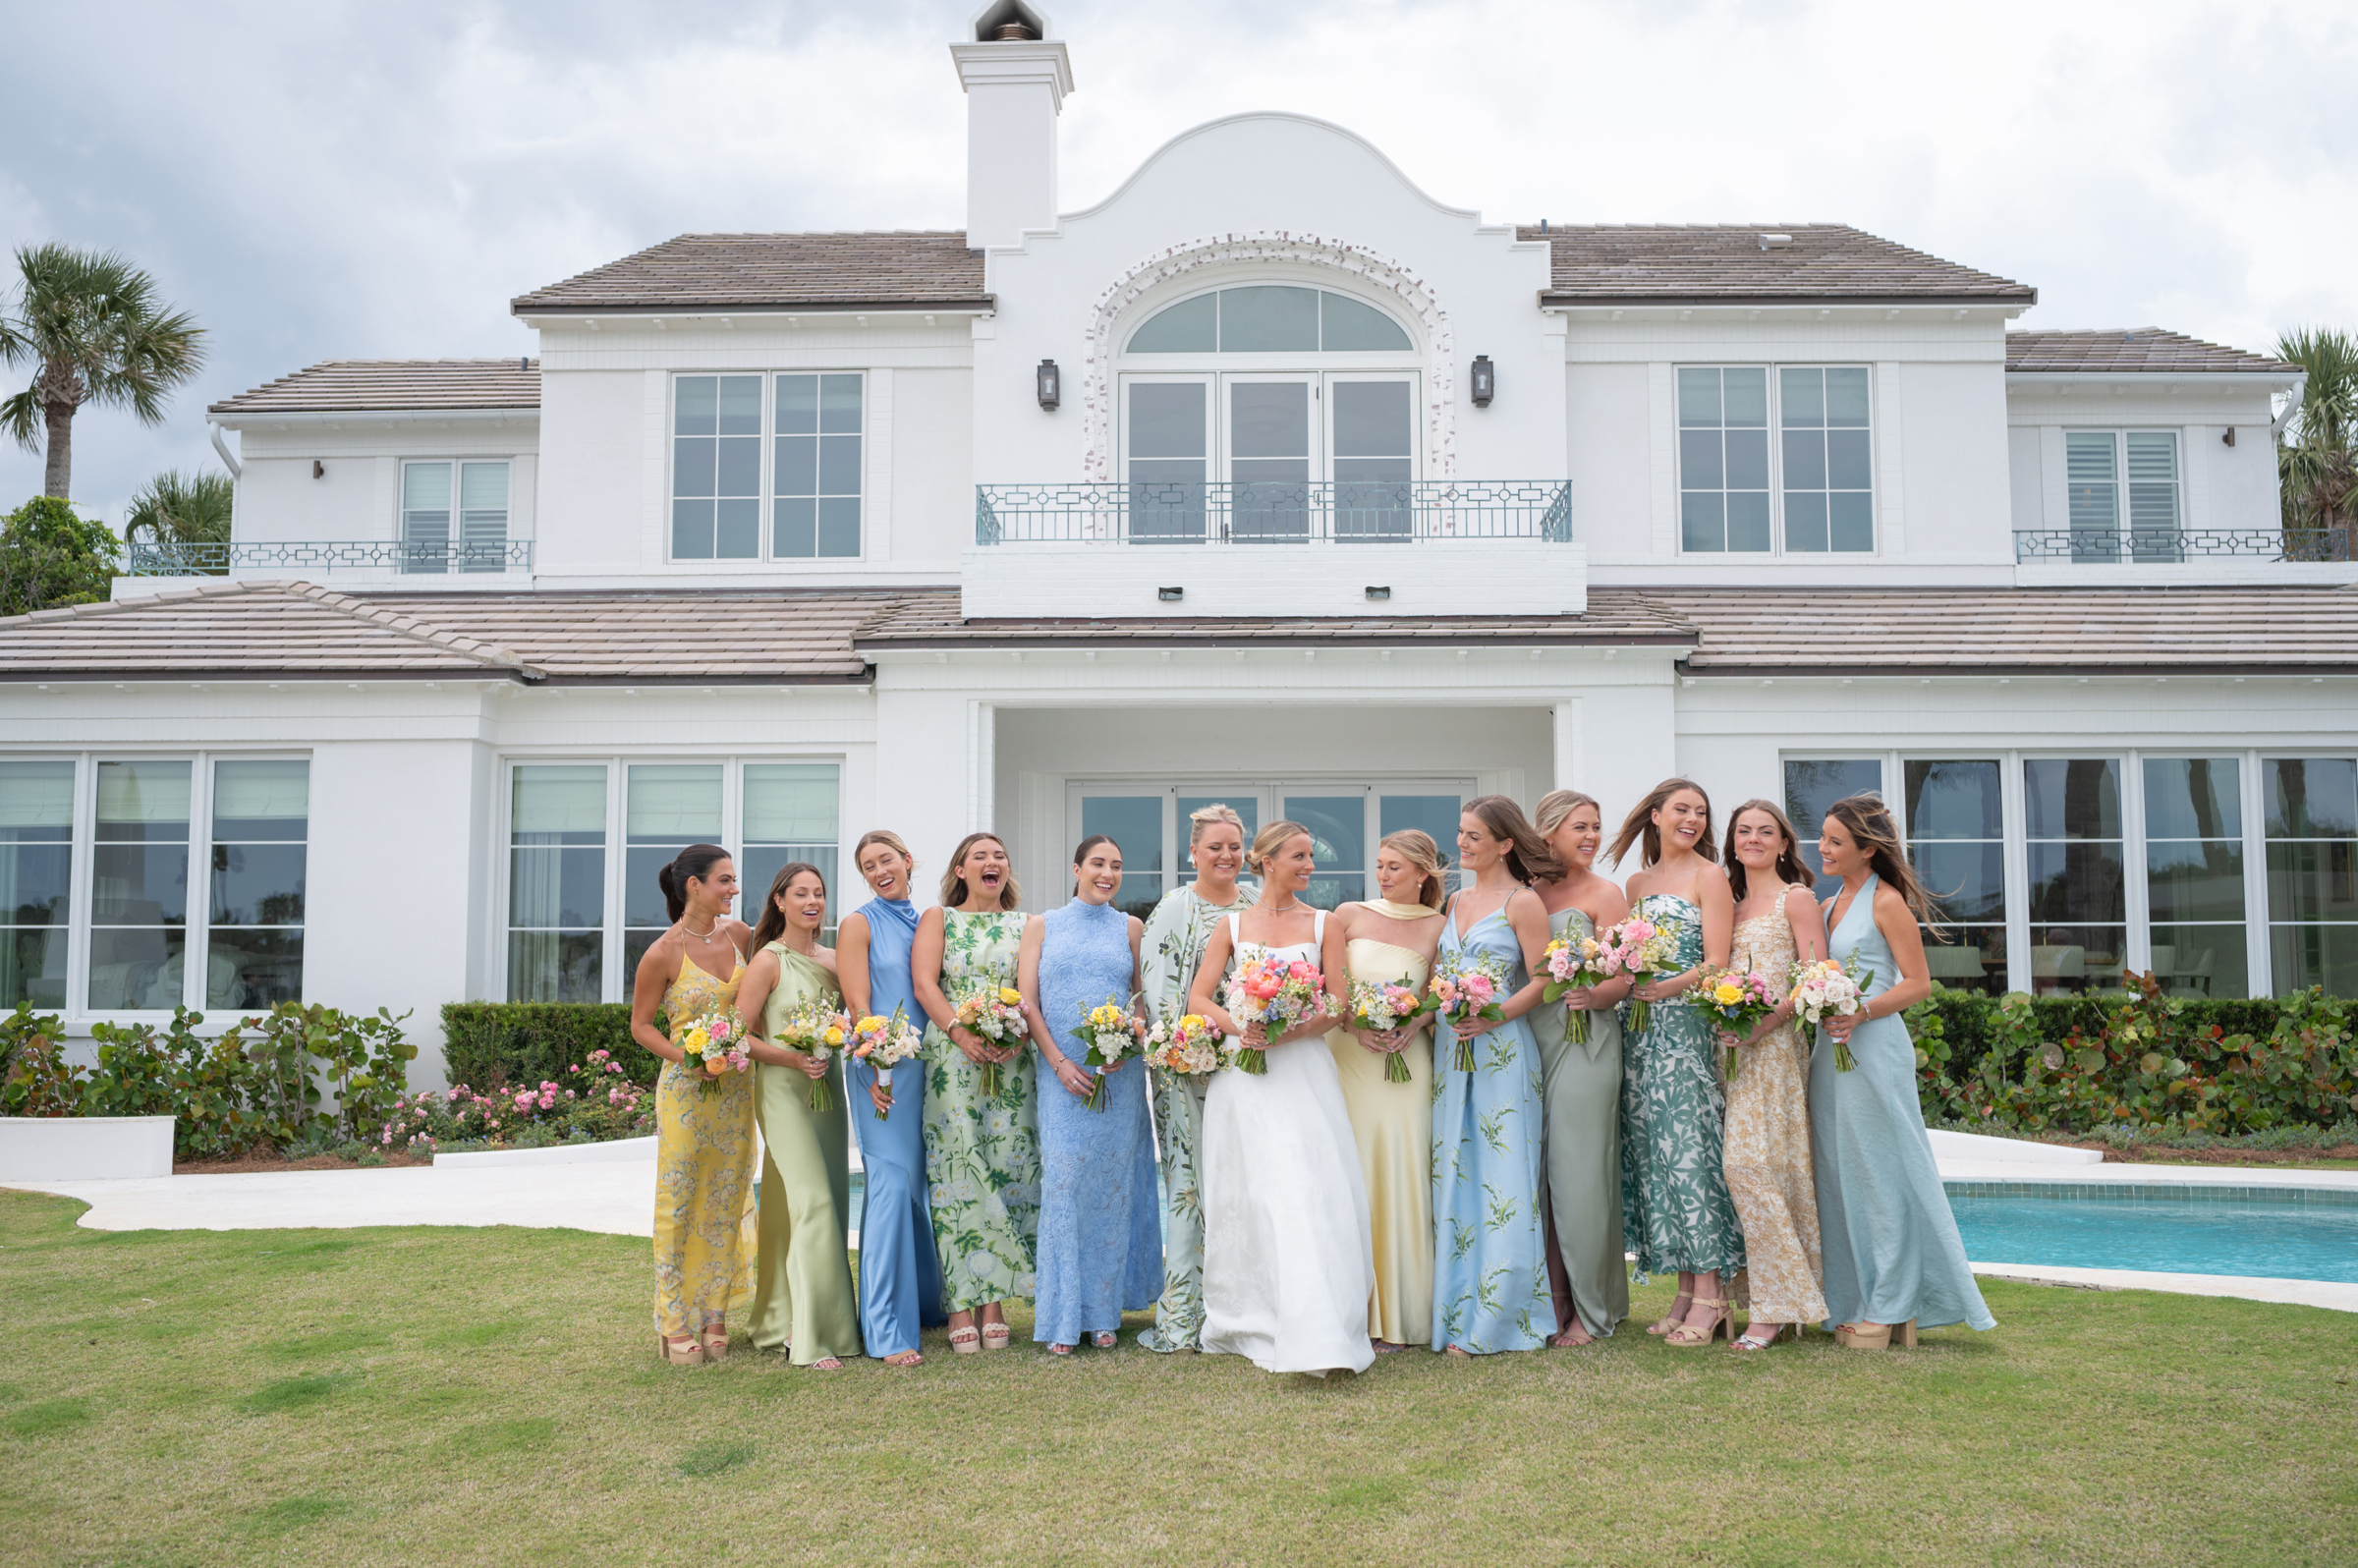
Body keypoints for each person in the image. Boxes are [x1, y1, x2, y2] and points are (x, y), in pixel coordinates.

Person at [1812, 794, 1997, 1348]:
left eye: (1834, 841)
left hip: (1874, 1049)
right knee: (1840, 1175)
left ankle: (1892, 1306)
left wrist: (1860, 1010)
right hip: (1830, 1053)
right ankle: (1851, 1298)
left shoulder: (1886, 902)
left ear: (1867, 849)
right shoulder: (1828, 904)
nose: (1822, 848)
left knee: (1881, 1173)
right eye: (1821, 837)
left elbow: (1917, 983)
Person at [1191, 821, 1374, 1376]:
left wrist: (1286, 1032)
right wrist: (1239, 1025)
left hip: (1302, 1074)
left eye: (1311, 857)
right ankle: (1254, 1314)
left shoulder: (1326, 923)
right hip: (1243, 1079)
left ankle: (1317, 1320)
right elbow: (1200, 997)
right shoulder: (1230, 924)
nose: (1310, 866)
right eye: (1300, 856)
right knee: (1252, 1192)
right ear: (1268, 860)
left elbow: (1338, 1004)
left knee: (1304, 1188)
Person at [1610, 778, 1745, 1348]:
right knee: (1657, 1157)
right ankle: (1686, 1292)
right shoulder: (1636, 882)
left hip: (1684, 1030)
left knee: (1691, 1153)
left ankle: (1713, 1295)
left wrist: (1662, 990)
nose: (1691, 819)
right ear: (1656, 816)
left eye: (1701, 812)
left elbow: (1717, 962)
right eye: (1682, 810)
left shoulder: (1709, 876)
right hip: (1638, 1035)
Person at [1430, 797, 1559, 1357]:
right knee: (1454, 1174)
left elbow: (1545, 979)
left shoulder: (1523, 901)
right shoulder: (1454, 898)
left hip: (1501, 1049)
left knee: (1502, 1178)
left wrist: (1494, 1015)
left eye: (1474, 836)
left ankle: (1499, 1320)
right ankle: (1454, 1313)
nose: (1462, 844)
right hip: (1450, 1052)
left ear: (1505, 844)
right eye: (1460, 833)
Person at [1021, 834, 1160, 1354]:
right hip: (1061, 1077)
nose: (1108, 873)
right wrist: (1057, 1061)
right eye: (1098, 864)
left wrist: (1128, 1037)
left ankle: (1102, 1313)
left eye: (1117, 866)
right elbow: (1028, 1002)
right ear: (1076, 867)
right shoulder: (1042, 925)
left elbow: (1141, 1000)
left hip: (1117, 1076)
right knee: (1063, 1183)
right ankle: (1060, 1318)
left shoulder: (1131, 928)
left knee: (1110, 1189)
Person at [629, 843, 756, 1367]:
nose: (734, 889)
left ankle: (715, 1313)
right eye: (725, 880)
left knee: (727, 1197)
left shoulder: (744, 935)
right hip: (685, 1094)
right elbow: (639, 1027)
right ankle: (674, 1319)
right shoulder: (663, 952)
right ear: (694, 886)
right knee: (678, 1201)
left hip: (736, 1094)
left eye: (734, 880)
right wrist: (689, 1059)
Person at [911, 832, 1038, 1354]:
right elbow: (925, 985)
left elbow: (1031, 991)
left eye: (1000, 855)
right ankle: (961, 1302)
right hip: (951, 1060)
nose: (993, 863)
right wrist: (961, 1034)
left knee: (1009, 1167)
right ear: (960, 870)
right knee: (958, 1169)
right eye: (980, 857)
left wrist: (1018, 1034)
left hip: (1012, 1064)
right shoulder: (938, 919)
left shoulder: (1029, 924)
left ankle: (996, 1302)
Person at [1319, 828, 1445, 1353]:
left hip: (1404, 1063)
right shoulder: (1346, 914)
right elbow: (1327, 988)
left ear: (1423, 873)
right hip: (1347, 1058)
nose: (1384, 874)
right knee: (1347, 1173)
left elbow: (1443, 993)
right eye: (1380, 864)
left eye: (1395, 866)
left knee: (1400, 1172)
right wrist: (1354, 1025)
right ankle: (1348, 1310)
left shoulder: (1441, 925)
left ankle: (1399, 1316)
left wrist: (1416, 1023)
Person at [1136, 803, 1255, 1353]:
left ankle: (1245, 1306)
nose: (1226, 856)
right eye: (1215, 847)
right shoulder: (1173, 908)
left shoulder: (1257, 903)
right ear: (1193, 853)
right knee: (1190, 1182)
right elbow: (1161, 995)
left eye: (1234, 846)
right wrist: (1189, 1050)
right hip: (1187, 1065)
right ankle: (1187, 1314)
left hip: (1254, 1064)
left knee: (1247, 1179)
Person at [734, 861, 861, 1370]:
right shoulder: (768, 961)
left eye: (819, 893)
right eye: (801, 893)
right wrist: (792, 1057)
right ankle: (809, 1335)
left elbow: (857, 1017)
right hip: (783, 1089)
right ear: (779, 902)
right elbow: (738, 1036)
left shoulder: (835, 959)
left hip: (827, 1090)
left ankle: (777, 1317)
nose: (812, 902)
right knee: (813, 1202)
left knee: (802, 1204)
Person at [1715, 801, 1830, 1350]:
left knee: (1752, 1166)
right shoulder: (1730, 904)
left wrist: (1766, 1023)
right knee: (1740, 1171)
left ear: (1784, 844)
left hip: (1775, 1049)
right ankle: (1763, 1294)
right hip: (1726, 1052)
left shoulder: (1797, 898)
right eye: (1744, 831)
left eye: (1767, 832)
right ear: (1733, 842)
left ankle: (1777, 1305)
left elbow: (1815, 974)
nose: (1754, 839)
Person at [835, 829, 945, 1367]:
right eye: (868, 866)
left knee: (917, 1188)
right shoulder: (858, 923)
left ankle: (928, 1303)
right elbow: (859, 1008)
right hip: (880, 1071)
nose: (880, 870)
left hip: (926, 1073)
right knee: (889, 1186)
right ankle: (883, 1328)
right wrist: (878, 1068)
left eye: (887, 860)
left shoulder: (929, 920)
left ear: (907, 861)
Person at [1528, 790, 1633, 1348]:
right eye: (1580, 827)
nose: (1592, 836)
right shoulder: (1527, 894)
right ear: (1548, 833)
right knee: (1538, 1178)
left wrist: (1596, 997)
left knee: (1579, 1177)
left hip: (1585, 1040)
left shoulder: (1605, 894)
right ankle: (1550, 1300)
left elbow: (1625, 976)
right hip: (1529, 1041)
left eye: (1595, 826)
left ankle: (1590, 1311)